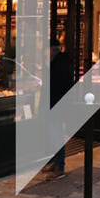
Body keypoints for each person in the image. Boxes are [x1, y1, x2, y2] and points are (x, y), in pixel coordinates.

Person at [44, 37, 75, 176]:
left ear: (52, 50)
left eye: (47, 50)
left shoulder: (57, 65)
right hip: (57, 103)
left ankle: (59, 167)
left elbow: (56, 85)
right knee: (53, 134)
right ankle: (56, 162)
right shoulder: (61, 63)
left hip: (56, 104)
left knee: (56, 134)